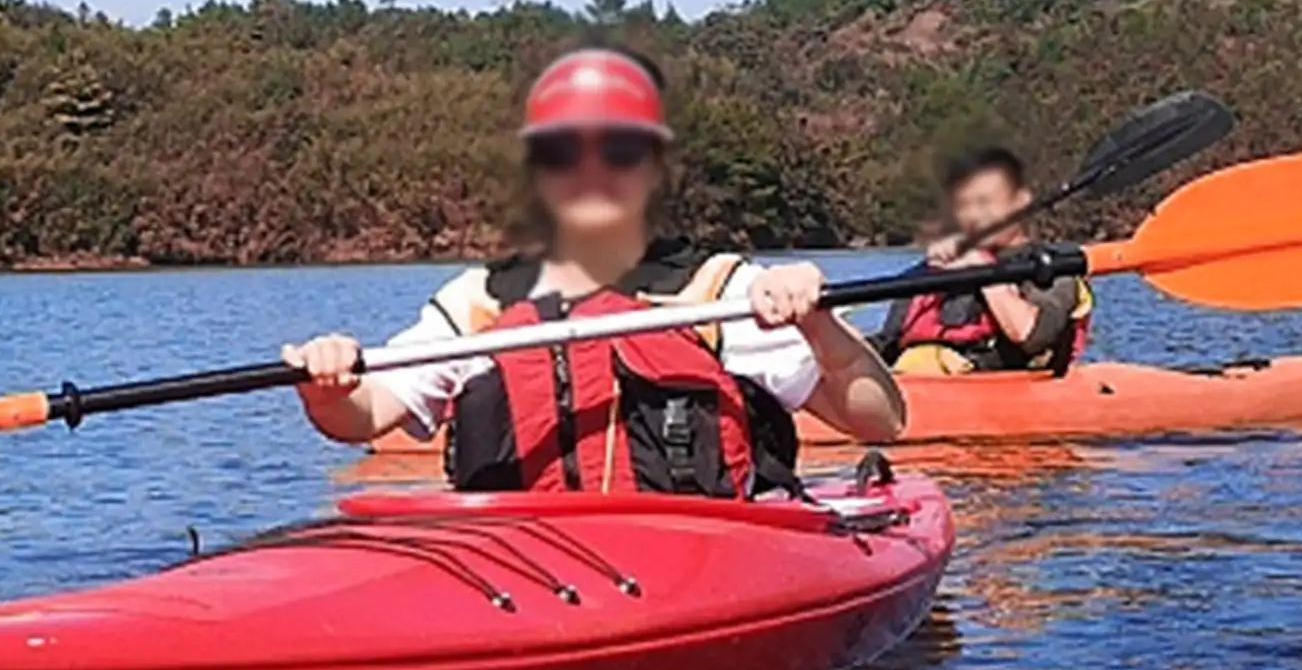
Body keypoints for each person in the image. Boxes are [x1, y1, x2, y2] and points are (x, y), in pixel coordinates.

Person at [283, 46, 905, 495]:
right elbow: (362, 415)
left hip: (704, 562)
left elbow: (879, 420)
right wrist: (326, 384)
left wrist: (819, 324)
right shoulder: (479, 303)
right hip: (522, 567)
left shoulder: (727, 293)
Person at [875, 147, 1093, 375]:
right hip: (924, 386)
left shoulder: (1053, 266)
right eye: (964, 205)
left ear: (1020, 201)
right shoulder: (933, 270)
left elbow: (1032, 335)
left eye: (984, 202)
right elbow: (885, 346)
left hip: (1006, 390)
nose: (974, 215)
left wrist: (983, 269)